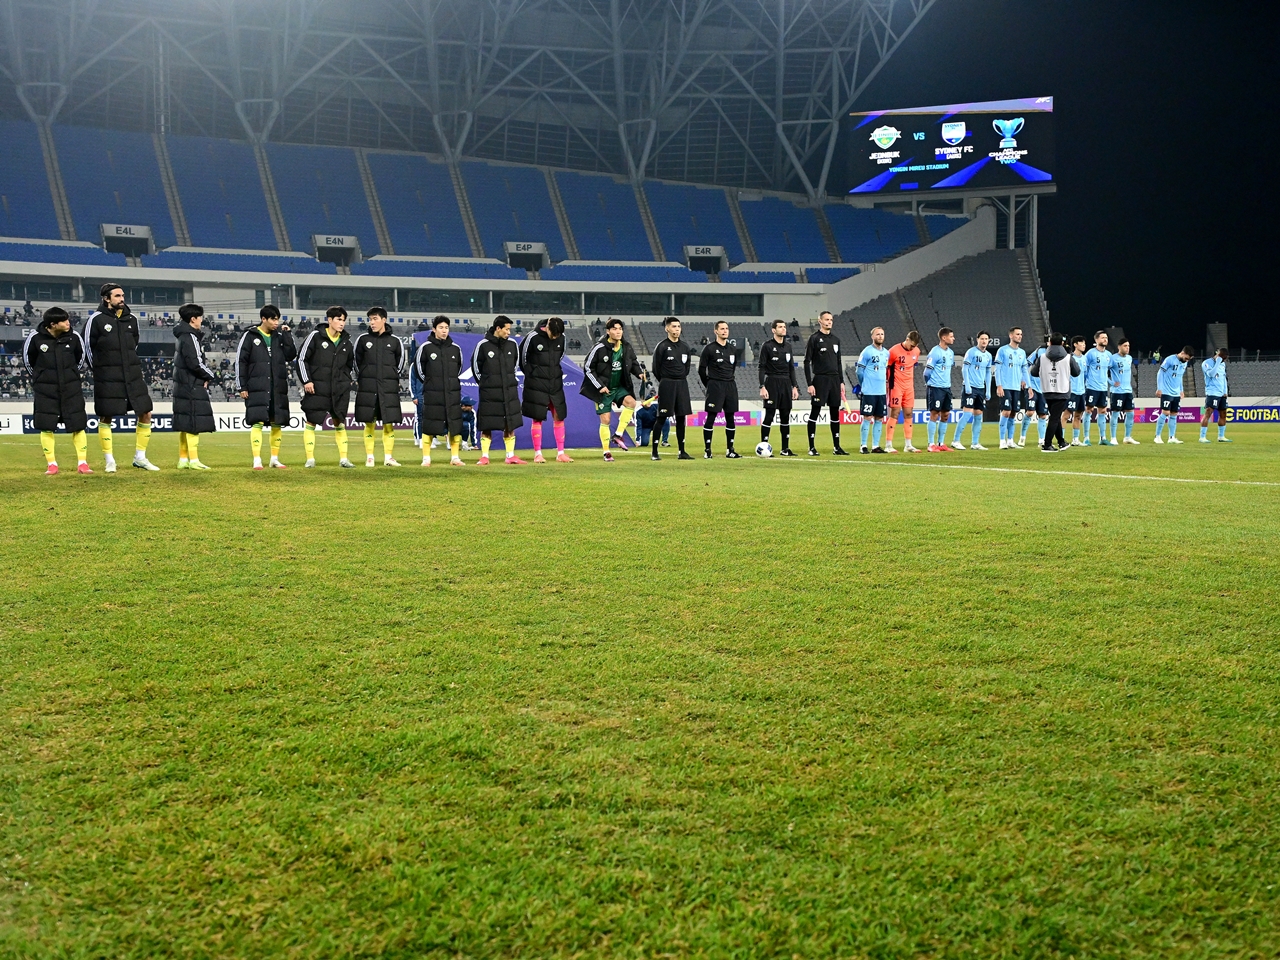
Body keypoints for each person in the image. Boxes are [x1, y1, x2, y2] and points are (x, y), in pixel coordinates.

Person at [82, 282, 158, 471]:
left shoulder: (131, 319)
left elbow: (134, 345)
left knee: (145, 412)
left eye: (122, 295)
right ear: (106, 299)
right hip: (107, 377)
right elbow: (87, 348)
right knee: (106, 416)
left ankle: (140, 457)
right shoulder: (96, 320)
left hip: (132, 375)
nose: (121, 299)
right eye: (117, 296)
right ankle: (110, 461)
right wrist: (99, 371)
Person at [24, 306, 90, 475]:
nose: (69, 323)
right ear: (53, 324)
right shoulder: (35, 338)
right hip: (46, 390)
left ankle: (82, 463)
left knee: (78, 424)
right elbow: (29, 361)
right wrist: (41, 377)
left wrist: (71, 375)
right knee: (46, 426)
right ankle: (51, 464)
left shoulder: (74, 337)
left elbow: (80, 359)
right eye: (64, 321)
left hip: (71, 388)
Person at [236, 304, 297, 470]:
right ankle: (257, 459)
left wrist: (288, 335)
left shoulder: (279, 336)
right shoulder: (250, 336)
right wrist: (242, 386)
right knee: (257, 422)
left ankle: (274, 459)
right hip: (257, 386)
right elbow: (241, 361)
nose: (276, 322)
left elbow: (291, 355)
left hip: (277, 386)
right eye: (273, 319)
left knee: (277, 422)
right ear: (264, 319)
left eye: (277, 319)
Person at [297, 305, 355, 468]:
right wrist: (307, 380)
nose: (341, 323)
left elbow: (349, 365)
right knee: (311, 422)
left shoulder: (347, 343)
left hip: (339, 390)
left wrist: (346, 381)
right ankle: (310, 459)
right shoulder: (315, 337)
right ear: (329, 320)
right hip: (317, 389)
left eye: (343, 320)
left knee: (340, 422)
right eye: (338, 319)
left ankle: (344, 459)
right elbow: (302, 359)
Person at [581, 318, 645, 462]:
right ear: (608, 331)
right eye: (615, 329)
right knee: (606, 420)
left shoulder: (626, 346)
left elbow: (633, 362)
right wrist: (599, 386)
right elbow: (587, 368)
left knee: (631, 403)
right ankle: (606, 452)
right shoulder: (599, 348)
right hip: (603, 389)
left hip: (619, 387)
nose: (618, 331)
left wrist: (639, 373)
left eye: (620, 329)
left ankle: (617, 434)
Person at [353, 306, 405, 466]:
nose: (372, 322)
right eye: (370, 319)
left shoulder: (395, 341)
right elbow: (356, 363)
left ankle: (388, 457)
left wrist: (390, 379)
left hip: (388, 389)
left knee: (388, 423)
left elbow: (400, 366)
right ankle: (370, 457)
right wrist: (364, 378)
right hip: (368, 388)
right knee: (369, 422)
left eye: (375, 319)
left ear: (384, 320)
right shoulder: (362, 340)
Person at [471, 315, 524, 465]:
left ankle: (510, 455)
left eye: (510, 329)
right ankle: (485, 456)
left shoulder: (512, 345)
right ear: (498, 328)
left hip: (509, 392)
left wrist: (509, 381)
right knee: (487, 423)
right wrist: (486, 383)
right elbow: (476, 368)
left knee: (510, 423)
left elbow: (514, 366)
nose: (509, 332)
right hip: (489, 393)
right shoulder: (483, 345)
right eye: (506, 329)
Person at [413, 315, 465, 466]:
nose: (444, 331)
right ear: (434, 329)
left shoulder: (456, 349)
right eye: (441, 328)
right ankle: (426, 458)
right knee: (429, 425)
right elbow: (419, 370)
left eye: (446, 328)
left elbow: (458, 369)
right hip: (432, 394)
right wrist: (431, 383)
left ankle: (455, 457)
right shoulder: (426, 348)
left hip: (452, 394)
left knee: (454, 425)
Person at [520, 316, 572, 463]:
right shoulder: (532, 337)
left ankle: (560, 453)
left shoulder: (562, 338)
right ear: (547, 327)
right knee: (537, 417)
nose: (555, 337)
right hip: (536, 384)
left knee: (559, 416)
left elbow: (560, 357)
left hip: (555, 383)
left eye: (558, 335)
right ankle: (538, 453)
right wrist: (533, 374)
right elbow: (522, 359)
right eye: (553, 334)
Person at [172, 303, 218, 470]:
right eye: (200, 317)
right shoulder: (190, 337)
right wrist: (210, 375)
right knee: (193, 423)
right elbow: (195, 363)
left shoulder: (182, 336)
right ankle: (194, 460)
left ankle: (183, 459)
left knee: (185, 422)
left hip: (183, 384)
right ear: (193, 319)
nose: (202, 321)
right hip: (191, 384)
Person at [648, 316, 693, 461]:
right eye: (674, 326)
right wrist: (666, 381)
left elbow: (687, 368)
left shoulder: (685, 347)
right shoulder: (661, 346)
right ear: (667, 328)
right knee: (661, 417)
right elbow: (656, 368)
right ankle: (654, 452)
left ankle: (682, 451)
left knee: (681, 418)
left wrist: (679, 377)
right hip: (667, 384)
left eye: (679, 326)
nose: (677, 329)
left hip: (682, 384)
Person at [804, 310, 848, 455]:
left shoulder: (836, 340)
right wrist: (810, 383)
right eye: (827, 319)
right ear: (820, 321)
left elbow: (839, 361)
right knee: (815, 412)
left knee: (835, 413)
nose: (829, 322)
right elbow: (806, 361)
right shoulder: (814, 338)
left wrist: (841, 381)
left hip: (835, 380)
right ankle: (811, 447)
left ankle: (837, 447)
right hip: (820, 380)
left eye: (831, 320)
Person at [1028, 333, 1080, 452]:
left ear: (1050, 343)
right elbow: (1076, 372)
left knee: (1054, 417)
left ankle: (1061, 441)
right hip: (1062, 390)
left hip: (1047, 390)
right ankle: (1047, 444)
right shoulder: (1068, 357)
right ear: (1062, 343)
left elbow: (1033, 372)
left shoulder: (1042, 357)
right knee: (1055, 418)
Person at [698, 320, 742, 458]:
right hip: (715, 385)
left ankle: (730, 449)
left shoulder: (733, 349)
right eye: (722, 329)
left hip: (730, 385)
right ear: (716, 331)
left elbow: (733, 368)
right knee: (711, 417)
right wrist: (710, 385)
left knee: (730, 417)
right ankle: (707, 450)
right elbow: (701, 370)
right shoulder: (709, 349)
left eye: (727, 328)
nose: (725, 331)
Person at [757, 318, 799, 456]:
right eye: (780, 327)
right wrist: (762, 386)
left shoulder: (788, 347)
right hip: (772, 383)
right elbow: (761, 367)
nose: (783, 329)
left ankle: (785, 449)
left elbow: (791, 368)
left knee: (785, 416)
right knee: (769, 415)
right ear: (773, 330)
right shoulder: (767, 346)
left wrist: (795, 386)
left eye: (784, 326)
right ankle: (764, 446)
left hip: (786, 383)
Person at [854, 326, 890, 454]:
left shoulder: (886, 353)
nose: (880, 336)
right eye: (877, 334)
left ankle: (875, 446)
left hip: (881, 392)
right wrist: (864, 384)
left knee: (879, 418)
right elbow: (859, 371)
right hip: (869, 391)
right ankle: (863, 445)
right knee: (867, 417)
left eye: (882, 334)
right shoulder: (867, 352)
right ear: (872, 337)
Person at [993, 326, 1029, 449]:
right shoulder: (1002, 351)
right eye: (1017, 334)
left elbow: (1024, 369)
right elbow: (997, 369)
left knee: (1013, 413)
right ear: (1011, 336)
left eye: (1021, 334)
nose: (1020, 336)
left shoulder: (1022, 353)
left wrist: (1027, 384)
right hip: (1005, 386)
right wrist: (999, 385)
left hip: (1016, 387)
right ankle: (1002, 440)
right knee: (1006, 412)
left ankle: (1010, 440)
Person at [886, 330, 921, 453]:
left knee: (908, 413)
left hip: (909, 387)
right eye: (911, 345)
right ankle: (888, 444)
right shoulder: (893, 351)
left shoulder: (916, 352)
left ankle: (908, 445)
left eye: (915, 346)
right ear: (907, 339)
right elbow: (887, 367)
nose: (912, 348)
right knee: (894, 412)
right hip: (896, 386)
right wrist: (888, 385)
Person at [923, 327, 957, 451]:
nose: (953, 338)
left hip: (946, 388)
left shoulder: (950, 353)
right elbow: (927, 372)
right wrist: (929, 384)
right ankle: (931, 444)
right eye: (951, 336)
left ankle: (941, 443)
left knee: (946, 415)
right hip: (935, 388)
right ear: (944, 337)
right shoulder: (935, 352)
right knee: (934, 414)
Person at [958, 331, 993, 450]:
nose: (984, 341)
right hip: (971, 387)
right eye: (982, 338)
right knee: (967, 414)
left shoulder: (988, 355)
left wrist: (988, 389)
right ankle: (956, 440)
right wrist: (967, 385)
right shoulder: (971, 352)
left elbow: (988, 373)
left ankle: (975, 443)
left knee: (978, 416)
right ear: (977, 339)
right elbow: (965, 369)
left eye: (986, 339)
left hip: (980, 389)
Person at [1154, 346, 1194, 444]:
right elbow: (1160, 373)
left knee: (1174, 414)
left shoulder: (1184, 363)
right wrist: (1159, 388)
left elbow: (1179, 376)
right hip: (1166, 391)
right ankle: (1157, 436)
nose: (1187, 360)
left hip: (1176, 393)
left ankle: (1171, 437)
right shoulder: (1170, 359)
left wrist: (1181, 390)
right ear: (1183, 353)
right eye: (1186, 358)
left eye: (1189, 359)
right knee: (1165, 413)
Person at [1082, 330, 1112, 445]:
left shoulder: (1109, 355)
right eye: (1103, 337)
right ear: (1096, 340)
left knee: (1103, 411)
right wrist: (1085, 383)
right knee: (1088, 410)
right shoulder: (1090, 353)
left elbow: (1107, 372)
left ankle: (1102, 438)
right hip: (1092, 387)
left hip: (1103, 388)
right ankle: (1086, 438)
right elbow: (1085, 369)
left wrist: (1111, 382)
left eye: (1106, 338)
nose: (1105, 339)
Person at [1107, 338, 1139, 444]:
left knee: (1131, 414)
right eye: (1125, 346)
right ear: (1119, 347)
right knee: (1115, 414)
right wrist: (1111, 382)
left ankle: (1127, 437)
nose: (1127, 348)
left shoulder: (1129, 358)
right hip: (1117, 391)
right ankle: (1113, 438)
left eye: (1128, 346)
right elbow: (1103, 371)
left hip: (1128, 391)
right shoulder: (1112, 358)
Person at [1023, 335, 1051, 448]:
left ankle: (1041, 440)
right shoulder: (1040, 350)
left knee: (1043, 415)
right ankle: (1022, 437)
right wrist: (1024, 379)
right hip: (1033, 386)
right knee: (1030, 412)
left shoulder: (1059, 354)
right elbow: (1027, 363)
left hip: (1046, 388)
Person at [1200, 347, 1231, 443]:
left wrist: (1225, 391)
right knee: (1208, 412)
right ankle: (1202, 437)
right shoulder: (1207, 363)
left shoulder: (1223, 364)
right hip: (1212, 392)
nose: (1223, 360)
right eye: (1222, 357)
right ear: (1218, 355)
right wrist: (1217, 362)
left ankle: (1221, 436)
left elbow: (1223, 378)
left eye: (1224, 359)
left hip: (1222, 393)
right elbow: (1211, 374)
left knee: (1223, 414)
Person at [1065, 336, 1088, 445]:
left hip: (1081, 391)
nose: (1084, 345)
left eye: (1084, 343)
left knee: (1078, 415)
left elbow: (1085, 375)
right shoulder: (1069, 358)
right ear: (1075, 344)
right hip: (1072, 391)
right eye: (1081, 343)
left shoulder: (1084, 359)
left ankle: (1075, 439)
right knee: (1066, 415)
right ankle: (1062, 439)